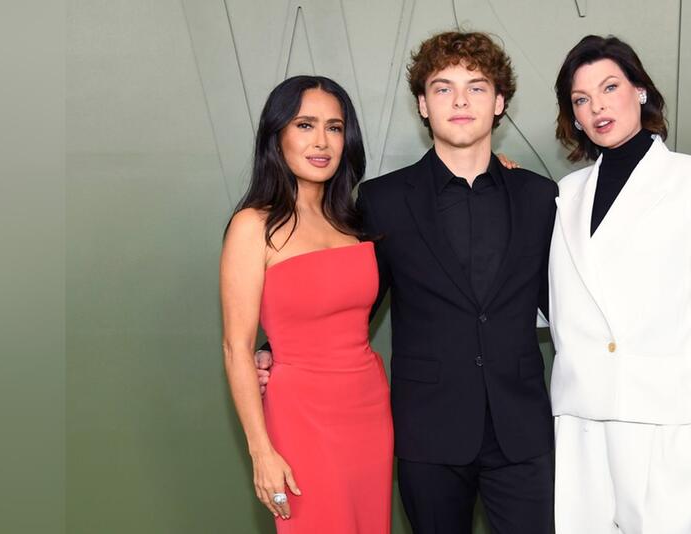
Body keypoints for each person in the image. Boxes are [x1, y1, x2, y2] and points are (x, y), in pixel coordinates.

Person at [257, 32, 557, 533]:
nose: (460, 101)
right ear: (422, 104)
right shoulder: (381, 200)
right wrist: (273, 348)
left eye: (477, 87)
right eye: (443, 88)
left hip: (522, 430)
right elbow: (349, 294)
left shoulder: (540, 197)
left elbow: (570, 301)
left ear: (500, 101)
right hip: (427, 432)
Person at [547, 35, 691, 534]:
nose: (597, 106)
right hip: (580, 424)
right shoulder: (565, 195)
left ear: (640, 90)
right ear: (573, 116)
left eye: (610, 86)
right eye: (581, 99)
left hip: (665, 432)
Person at [221, 75, 392, 533]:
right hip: (301, 419)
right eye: (305, 125)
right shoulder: (253, 226)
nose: (321, 142)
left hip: (369, 410)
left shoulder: (355, 221)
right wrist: (261, 451)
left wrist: (495, 163)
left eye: (334, 128)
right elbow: (237, 348)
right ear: (277, 136)